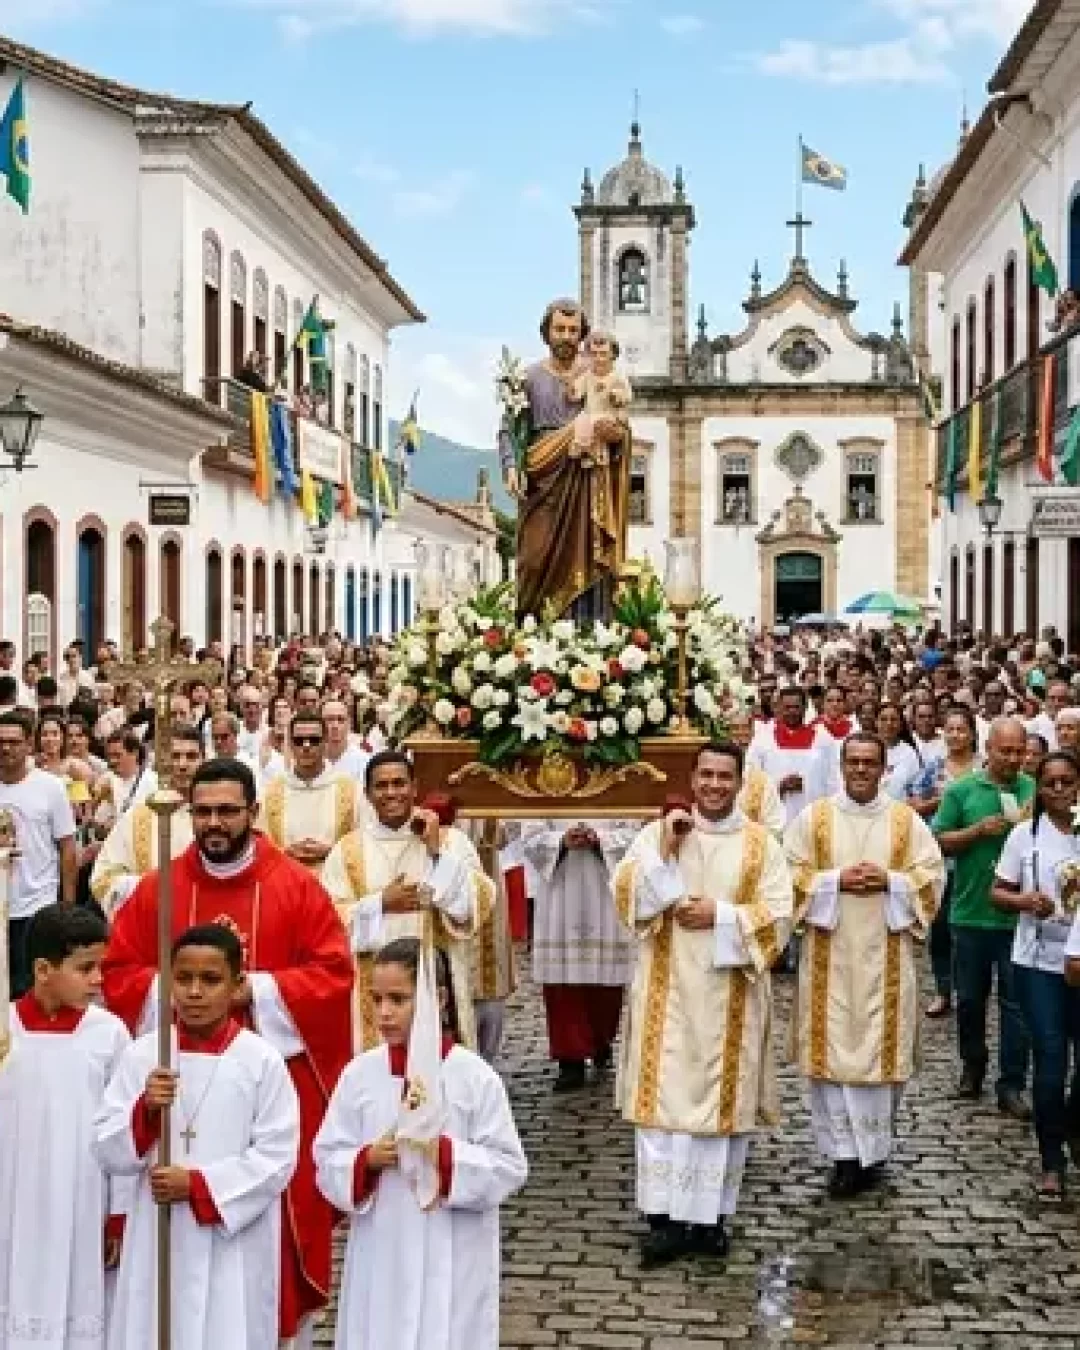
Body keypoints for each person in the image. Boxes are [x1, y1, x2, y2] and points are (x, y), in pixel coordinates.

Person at [102, 757, 354, 1350]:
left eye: (227, 811)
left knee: (265, 1243)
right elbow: (118, 972)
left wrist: (255, 992)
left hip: (267, 1083)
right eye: (203, 812)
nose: (213, 823)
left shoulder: (295, 887)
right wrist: (182, 991)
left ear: (253, 812)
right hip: (174, 1079)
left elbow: (334, 976)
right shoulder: (159, 889)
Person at [613, 743, 793, 1266]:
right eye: (706, 776)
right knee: (662, 1109)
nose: (715, 786)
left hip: (728, 994)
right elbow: (625, 895)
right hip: (665, 993)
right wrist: (667, 852)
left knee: (719, 1105)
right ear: (692, 780)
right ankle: (663, 1220)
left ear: (740, 782)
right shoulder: (658, 834)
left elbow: (780, 915)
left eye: (725, 777)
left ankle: (709, 1220)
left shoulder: (761, 845)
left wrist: (721, 915)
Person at [314, 938, 527, 1350]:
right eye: (377, 999)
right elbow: (326, 1157)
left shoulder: (474, 1078)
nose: (384, 1013)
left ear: (438, 999)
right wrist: (365, 1161)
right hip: (382, 1248)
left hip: (453, 1248)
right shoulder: (360, 1076)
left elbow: (508, 1166)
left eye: (398, 999)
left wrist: (444, 1154)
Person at [96, 925, 299, 1350]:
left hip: (231, 1243)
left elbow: (277, 1157)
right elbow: (106, 1147)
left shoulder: (261, 1061)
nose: (193, 992)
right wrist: (145, 1113)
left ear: (237, 985)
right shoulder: (144, 1055)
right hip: (156, 1236)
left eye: (210, 980)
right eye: (183, 978)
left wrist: (199, 1185)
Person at [785, 732, 944, 1198]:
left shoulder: (905, 822)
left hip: (885, 960)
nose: (860, 770)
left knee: (879, 1055)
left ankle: (873, 1152)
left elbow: (931, 877)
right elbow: (787, 877)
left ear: (883, 769)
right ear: (841, 766)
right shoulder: (814, 819)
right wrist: (835, 881)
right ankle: (842, 1157)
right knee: (833, 1056)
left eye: (869, 762)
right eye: (852, 761)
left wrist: (890, 881)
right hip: (828, 960)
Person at [0, 905, 130, 1350]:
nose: (98, 979)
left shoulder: (109, 1035)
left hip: (81, 1200)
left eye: (101, 967)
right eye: (85, 968)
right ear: (43, 969)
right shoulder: (6, 1031)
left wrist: (119, 1214)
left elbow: (121, 1129)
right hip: (11, 1199)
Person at [322, 751, 492, 1052]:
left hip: (436, 983)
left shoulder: (450, 841)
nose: (391, 793)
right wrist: (380, 904)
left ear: (415, 788)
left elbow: (474, 905)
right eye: (381, 786)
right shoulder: (347, 851)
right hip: (373, 993)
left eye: (399, 783)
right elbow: (327, 921)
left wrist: (437, 854)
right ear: (367, 794)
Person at [500, 297, 630, 621]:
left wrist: (615, 434)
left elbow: (620, 422)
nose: (567, 336)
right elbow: (509, 429)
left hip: (586, 482)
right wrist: (511, 466)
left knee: (587, 555)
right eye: (560, 329)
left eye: (573, 330)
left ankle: (584, 634)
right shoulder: (528, 378)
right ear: (547, 332)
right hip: (541, 478)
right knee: (534, 558)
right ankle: (532, 630)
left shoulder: (597, 373)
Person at [991, 751, 1080, 1201]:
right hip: (1039, 962)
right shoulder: (1024, 836)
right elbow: (997, 892)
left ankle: (1073, 1122)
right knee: (1050, 1057)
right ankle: (1051, 1159)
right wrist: (1025, 902)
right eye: (1051, 783)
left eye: (1068, 781)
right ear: (1040, 789)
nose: (1059, 790)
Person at [933, 717, 1034, 1116]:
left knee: (1016, 1004)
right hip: (971, 912)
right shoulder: (962, 790)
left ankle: (1012, 1083)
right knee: (971, 1000)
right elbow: (940, 840)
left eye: (1019, 751)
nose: (1012, 758)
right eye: (1005, 751)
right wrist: (977, 831)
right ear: (988, 750)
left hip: (1018, 916)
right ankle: (972, 1065)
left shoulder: (1033, 789)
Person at [520, 819, 635, 1092]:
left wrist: (602, 840)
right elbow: (531, 834)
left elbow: (636, 834)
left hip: (606, 890)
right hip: (560, 890)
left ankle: (601, 1040)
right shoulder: (544, 790)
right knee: (562, 982)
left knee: (607, 979)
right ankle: (570, 1059)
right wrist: (560, 841)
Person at [909, 706, 981, 1018]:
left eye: (961, 730)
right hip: (939, 859)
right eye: (949, 730)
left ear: (972, 734)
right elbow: (913, 805)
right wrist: (941, 801)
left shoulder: (984, 769)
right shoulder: (934, 769)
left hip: (975, 859)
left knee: (969, 930)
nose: (955, 735)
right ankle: (943, 989)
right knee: (940, 929)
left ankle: (969, 988)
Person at [0, 710, 78, 996]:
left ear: (28, 745)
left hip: (37, 903)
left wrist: (67, 905)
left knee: (31, 989)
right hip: (1, 903)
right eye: (1, 742)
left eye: (14, 742)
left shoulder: (50, 787)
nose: (6, 748)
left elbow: (67, 846)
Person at [91, 726, 203, 918]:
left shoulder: (217, 817)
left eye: (191, 756)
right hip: (151, 920)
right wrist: (150, 888)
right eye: (175, 756)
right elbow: (103, 877)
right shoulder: (137, 818)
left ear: (204, 760)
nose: (182, 764)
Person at [257, 713, 363, 881]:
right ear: (290, 744)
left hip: (335, 882)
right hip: (286, 880)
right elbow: (259, 846)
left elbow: (363, 845)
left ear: (325, 742)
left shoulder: (351, 791)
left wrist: (332, 851)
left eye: (314, 740)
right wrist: (285, 852)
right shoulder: (271, 793)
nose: (306, 746)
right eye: (299, 740)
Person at [746, 686, 834, 829]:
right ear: (779, 708)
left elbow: (832, 781)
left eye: (796, 707)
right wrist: (779, 787)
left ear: (805, 708)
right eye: (787, 707)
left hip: (811, 819)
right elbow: (751, 779)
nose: (792, 712)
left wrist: (808, 785)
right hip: (774, 820)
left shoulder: (823, 741)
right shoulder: (762, 740)